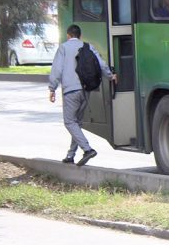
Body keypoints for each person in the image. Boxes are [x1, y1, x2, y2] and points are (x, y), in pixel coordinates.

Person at [48, 24, 117, 166]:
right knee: (76, 123)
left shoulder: (63, 48)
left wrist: (52, 88)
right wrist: (110, 76)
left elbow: (57, 69)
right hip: (85, 90)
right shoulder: (88, 46)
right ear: (79, 35)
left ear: (68, 35)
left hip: (70, 91)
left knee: (69, 122)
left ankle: (87, 149)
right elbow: (101, 64)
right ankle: (70, 155)